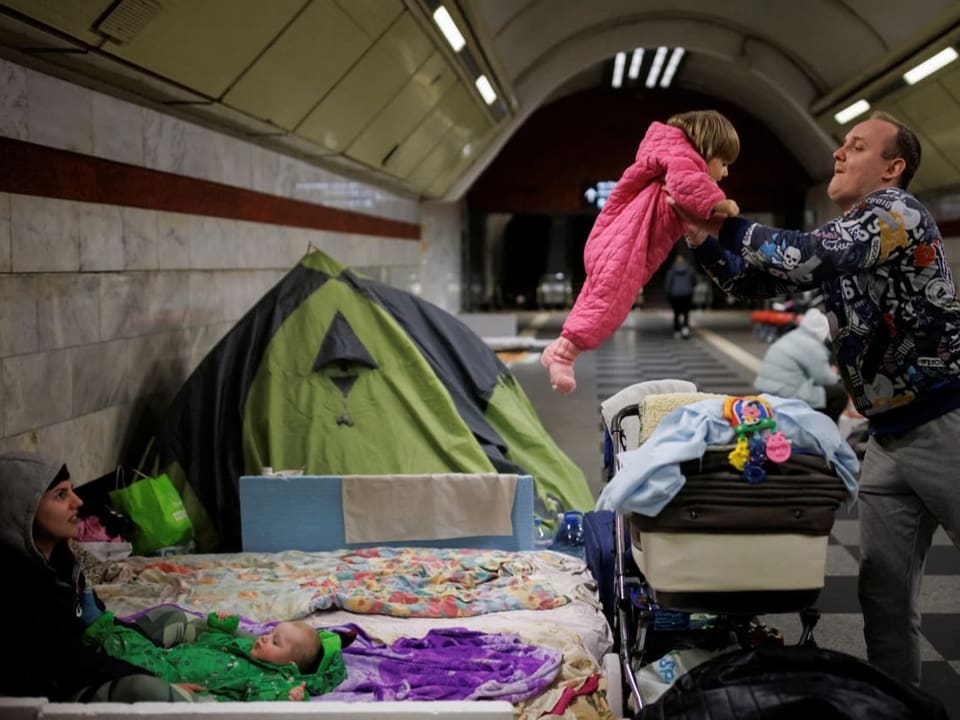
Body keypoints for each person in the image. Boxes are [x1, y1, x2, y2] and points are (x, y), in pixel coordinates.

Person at [671, 110, 960, 688]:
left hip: (947, 425)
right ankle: (897, 704)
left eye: (856, 146)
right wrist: (701, 240)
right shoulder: (848, 236)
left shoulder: (894, 213)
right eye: (841, 145)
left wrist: (727, 219)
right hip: (887, 438)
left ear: (892, 168)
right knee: (882, 599)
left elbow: (806, 254)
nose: (838, 153)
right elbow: (751, 281)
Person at [540, 109, 741, 393]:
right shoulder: (685, 161)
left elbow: (686, 201)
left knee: (597, 300)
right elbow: (688, 187)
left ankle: (560, 350)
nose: (725, 172)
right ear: (707, 148)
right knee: (610, 304)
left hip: (620, 241)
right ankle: (563, 355)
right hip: (625, 245)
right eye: (724, 162)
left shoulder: (674, 159)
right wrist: (722, 203)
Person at [0, 451, 195, 702]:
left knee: (171, 618)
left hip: (88, 654)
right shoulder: (16, 583)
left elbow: (98, 622)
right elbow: (70, 660)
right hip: (57, 687)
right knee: (148, 689)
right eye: (61, 495)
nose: (78, 501)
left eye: (71, 490)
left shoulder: (63, 560)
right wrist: (156, 676)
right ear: (23, 510)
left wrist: (149, 649)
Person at [83, 607, 350, 701]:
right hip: (174, 656)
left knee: (128, 652)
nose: (265, 637)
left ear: (289, 664)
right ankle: (97, 625)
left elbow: (267, 702)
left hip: (174, 676)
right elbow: (216, 642)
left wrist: (290, 697)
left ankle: (92, 627)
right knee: (138, 639)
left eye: (275, 642)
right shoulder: (249, 648)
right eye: (270, 633)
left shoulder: (271, 678)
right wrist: (221, 626)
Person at [753, 307, 849, 421]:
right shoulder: (813, 346)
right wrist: (835, 374)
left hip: (765, 389)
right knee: (839, 395)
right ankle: (824, 428)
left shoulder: (793, 335)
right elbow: (825, 379)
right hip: (785, 393)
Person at [664, 254, 698, 338]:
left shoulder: (671, 271)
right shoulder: (690, 269)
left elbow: (668, 284)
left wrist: (668, 294)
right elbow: (695, 281)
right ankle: (685, 329)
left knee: (676, 313)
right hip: (687, 294)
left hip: (675, 295)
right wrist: (691, 288)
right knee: (686, 312)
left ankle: (676, 330)